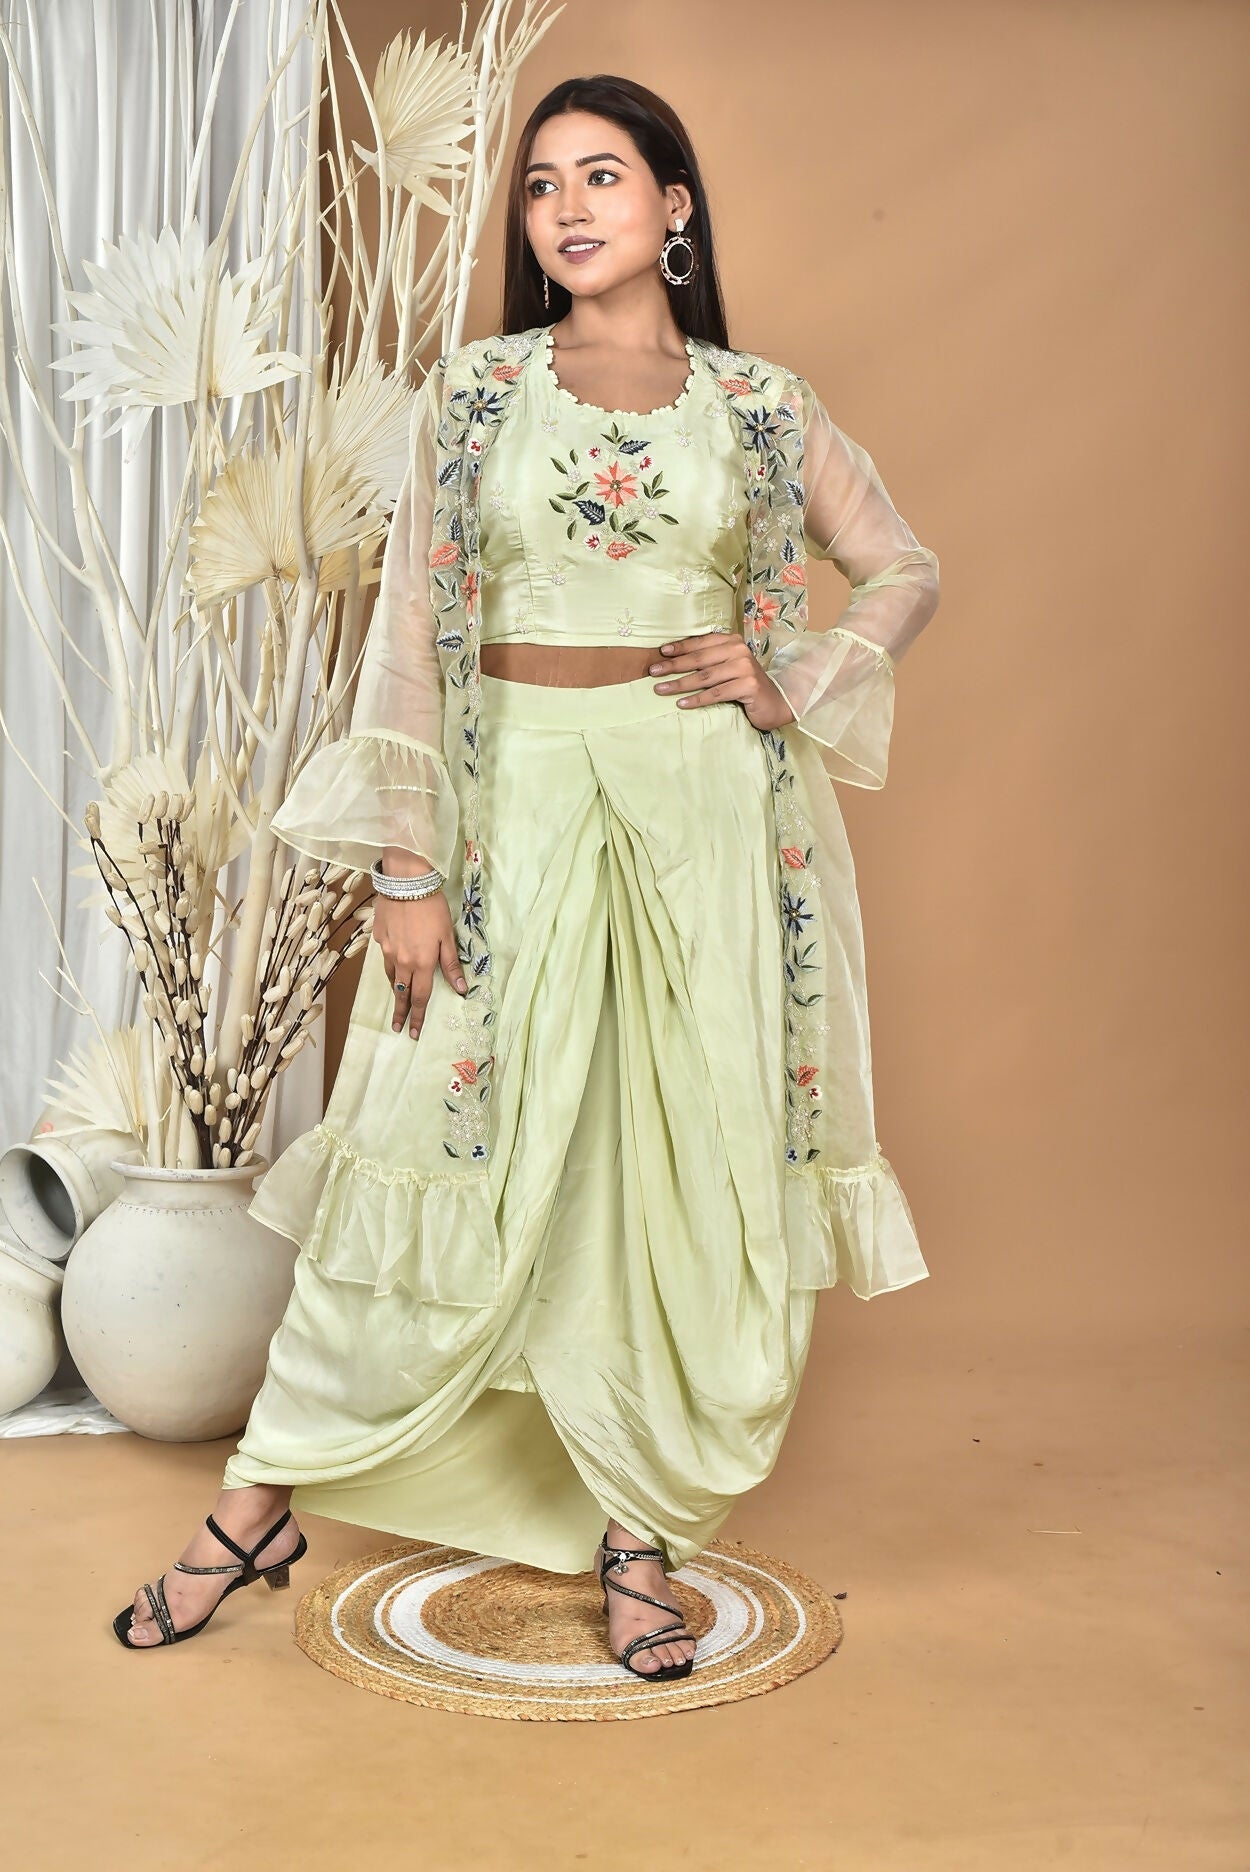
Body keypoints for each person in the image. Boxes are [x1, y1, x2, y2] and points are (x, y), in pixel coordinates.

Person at [114, 73, 940, 1681]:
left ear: (674, 207)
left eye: (603, 176)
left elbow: (901, 568)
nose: (566, 207)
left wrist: (788, 669)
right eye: (541, 182)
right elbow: (408, 636)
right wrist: (406, 863)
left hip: (703, 824)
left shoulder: (760, 407)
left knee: (672, 1168)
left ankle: (637, 1535)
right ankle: (257, 1504)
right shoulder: (479, 392)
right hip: (512, 813)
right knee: (428, 1144)